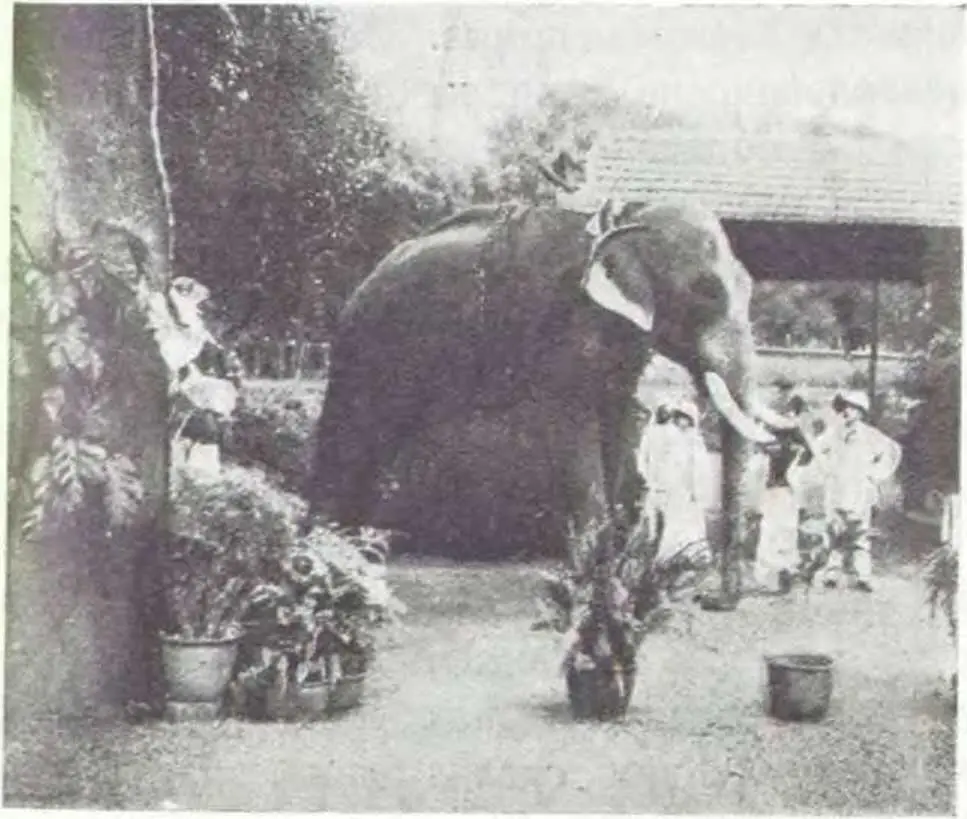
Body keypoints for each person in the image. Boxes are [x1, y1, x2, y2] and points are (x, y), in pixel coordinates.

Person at [814, 391, 902, 592]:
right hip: (837, 487)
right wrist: (827, 468)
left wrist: (875, 474)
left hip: (859, 489)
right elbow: (817, 449)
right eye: (844, 407)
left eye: (852, 408)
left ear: (861, 412)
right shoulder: (833, 433)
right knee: (834, 531)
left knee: (860, 534)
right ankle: (832, 572)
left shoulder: (871, 436)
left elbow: (892, 452)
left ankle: (863, 575)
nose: (847, 411)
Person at [656, 398, 712, 564]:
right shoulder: (672, 439)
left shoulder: (695, 441)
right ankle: (672, 553)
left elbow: (700, 468)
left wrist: (697, 489)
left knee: (692, 521)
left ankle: (693, 554)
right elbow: (665, 463)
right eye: (679, 417)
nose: (681, 422)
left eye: (685, 418)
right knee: (674, 520)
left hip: (690, 489)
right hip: (675, 487)